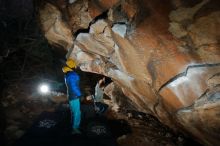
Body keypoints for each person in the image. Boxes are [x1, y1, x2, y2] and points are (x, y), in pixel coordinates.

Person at [62, 58, 82, 134]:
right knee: (77, 113)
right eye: (74, 65)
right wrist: (79, 94)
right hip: (74, 96)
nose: (76, 66)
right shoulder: (73, 74)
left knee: (73, 112)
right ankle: (75, 128)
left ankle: (73, 124)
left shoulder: (67, 74)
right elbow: (74, 86)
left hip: (70, 96)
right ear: (72, 66)